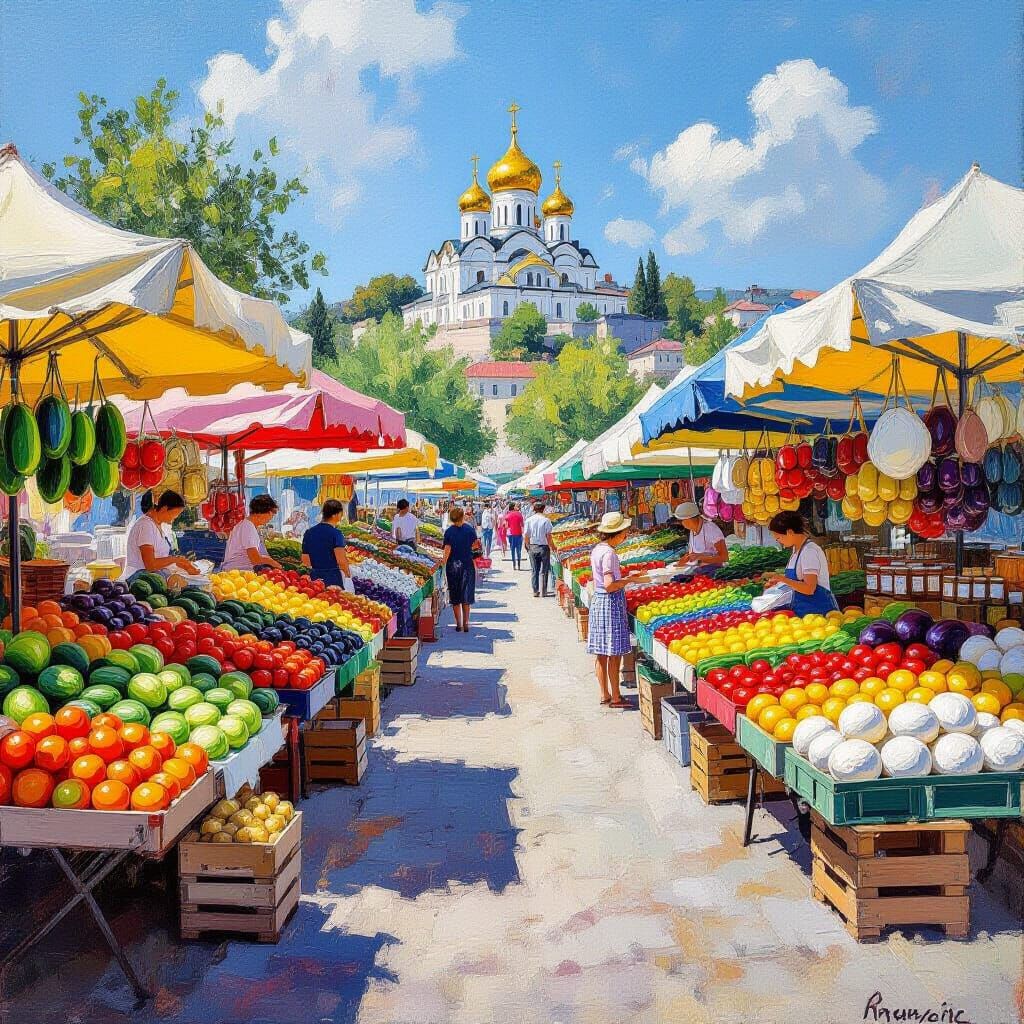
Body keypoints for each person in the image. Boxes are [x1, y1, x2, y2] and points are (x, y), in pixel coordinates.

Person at [587, 512, 649, 708]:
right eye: (625, 532)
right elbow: (609, 584)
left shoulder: (597, 549)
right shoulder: (610, 554)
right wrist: (631, 579)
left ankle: (603, 694)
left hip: (598, 602)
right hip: (610, 602)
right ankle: (615, 697)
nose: (626, 535)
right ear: (618, 533)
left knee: (600, 652)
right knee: (613, 652)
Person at [763, 510, 838, 615]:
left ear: (789, 532)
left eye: (779, 538)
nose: (779, 541)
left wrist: (783, 579)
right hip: (804, 612)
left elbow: (809, 588)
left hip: (819, 613)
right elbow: (797, 582)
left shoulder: (809, 551)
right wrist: (779, 583)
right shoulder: (796, 551)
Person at [123, 491, 198, 580]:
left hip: (153, 577)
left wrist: (183, 564)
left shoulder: (159, 525)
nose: (175, 518)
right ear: (165, 509)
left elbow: (161, 559)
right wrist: (174, 559)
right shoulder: (145, 526)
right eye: (175, 514)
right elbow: (150, 565)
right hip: (138, 578)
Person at [221, 494, 282, 572]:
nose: (271, 518)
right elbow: (255, 558)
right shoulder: (248, 527)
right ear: (261, 512)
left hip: (236, 572)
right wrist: (274, 564)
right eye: (271, 514)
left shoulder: (246, 524)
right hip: (238, 573)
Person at [301, 499, 353, 588]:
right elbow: (341, 561)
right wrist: (348, 576)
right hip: (332, 578)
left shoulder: (309, 532)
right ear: (335, 515)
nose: (342, 516)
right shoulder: (336, 533)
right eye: (341, 513)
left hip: (314, 578)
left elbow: (305, 560)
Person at [442, 506, 477, 633]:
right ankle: (466, 623)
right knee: (466, 594)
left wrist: (443, 562)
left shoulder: (449, 531)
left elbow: (447, 549)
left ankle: (458, 624)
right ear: (462, 516)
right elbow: (475, 548)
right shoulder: (470, 530)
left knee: (455, 595)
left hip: (453, 566)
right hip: (467, 564)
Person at [672, 501, 728, 576]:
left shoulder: (711, 529)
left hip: (715, 572)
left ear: (689, 519)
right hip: (699, 570)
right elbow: (694, 553)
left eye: (681, 521)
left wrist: (700, 557)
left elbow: (724, 557)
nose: (681, 524)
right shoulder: (692, 530)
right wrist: (687, 558)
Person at [524, 500, 554, 598]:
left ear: (534, 509)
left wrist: (527, 545)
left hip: (533, 546)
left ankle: (535, 590)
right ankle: (544, 591)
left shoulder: (529, 520)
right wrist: (552, 546)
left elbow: (526, 535)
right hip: (544, 547)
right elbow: (548, 536)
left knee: (534, 570)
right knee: (544, 570)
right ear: (543, 509)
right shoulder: (546, 520)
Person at [505, 502, 525, 570]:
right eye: (516, 506)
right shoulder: (519, 514)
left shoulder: (508, 515)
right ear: (514, 507)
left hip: (511, 535)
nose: (517, 507)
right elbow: (522, 525)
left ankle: (514, 565)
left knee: (512, 550)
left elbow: (506, 526)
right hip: (519, 534)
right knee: (518, 551)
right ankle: (519, 565)